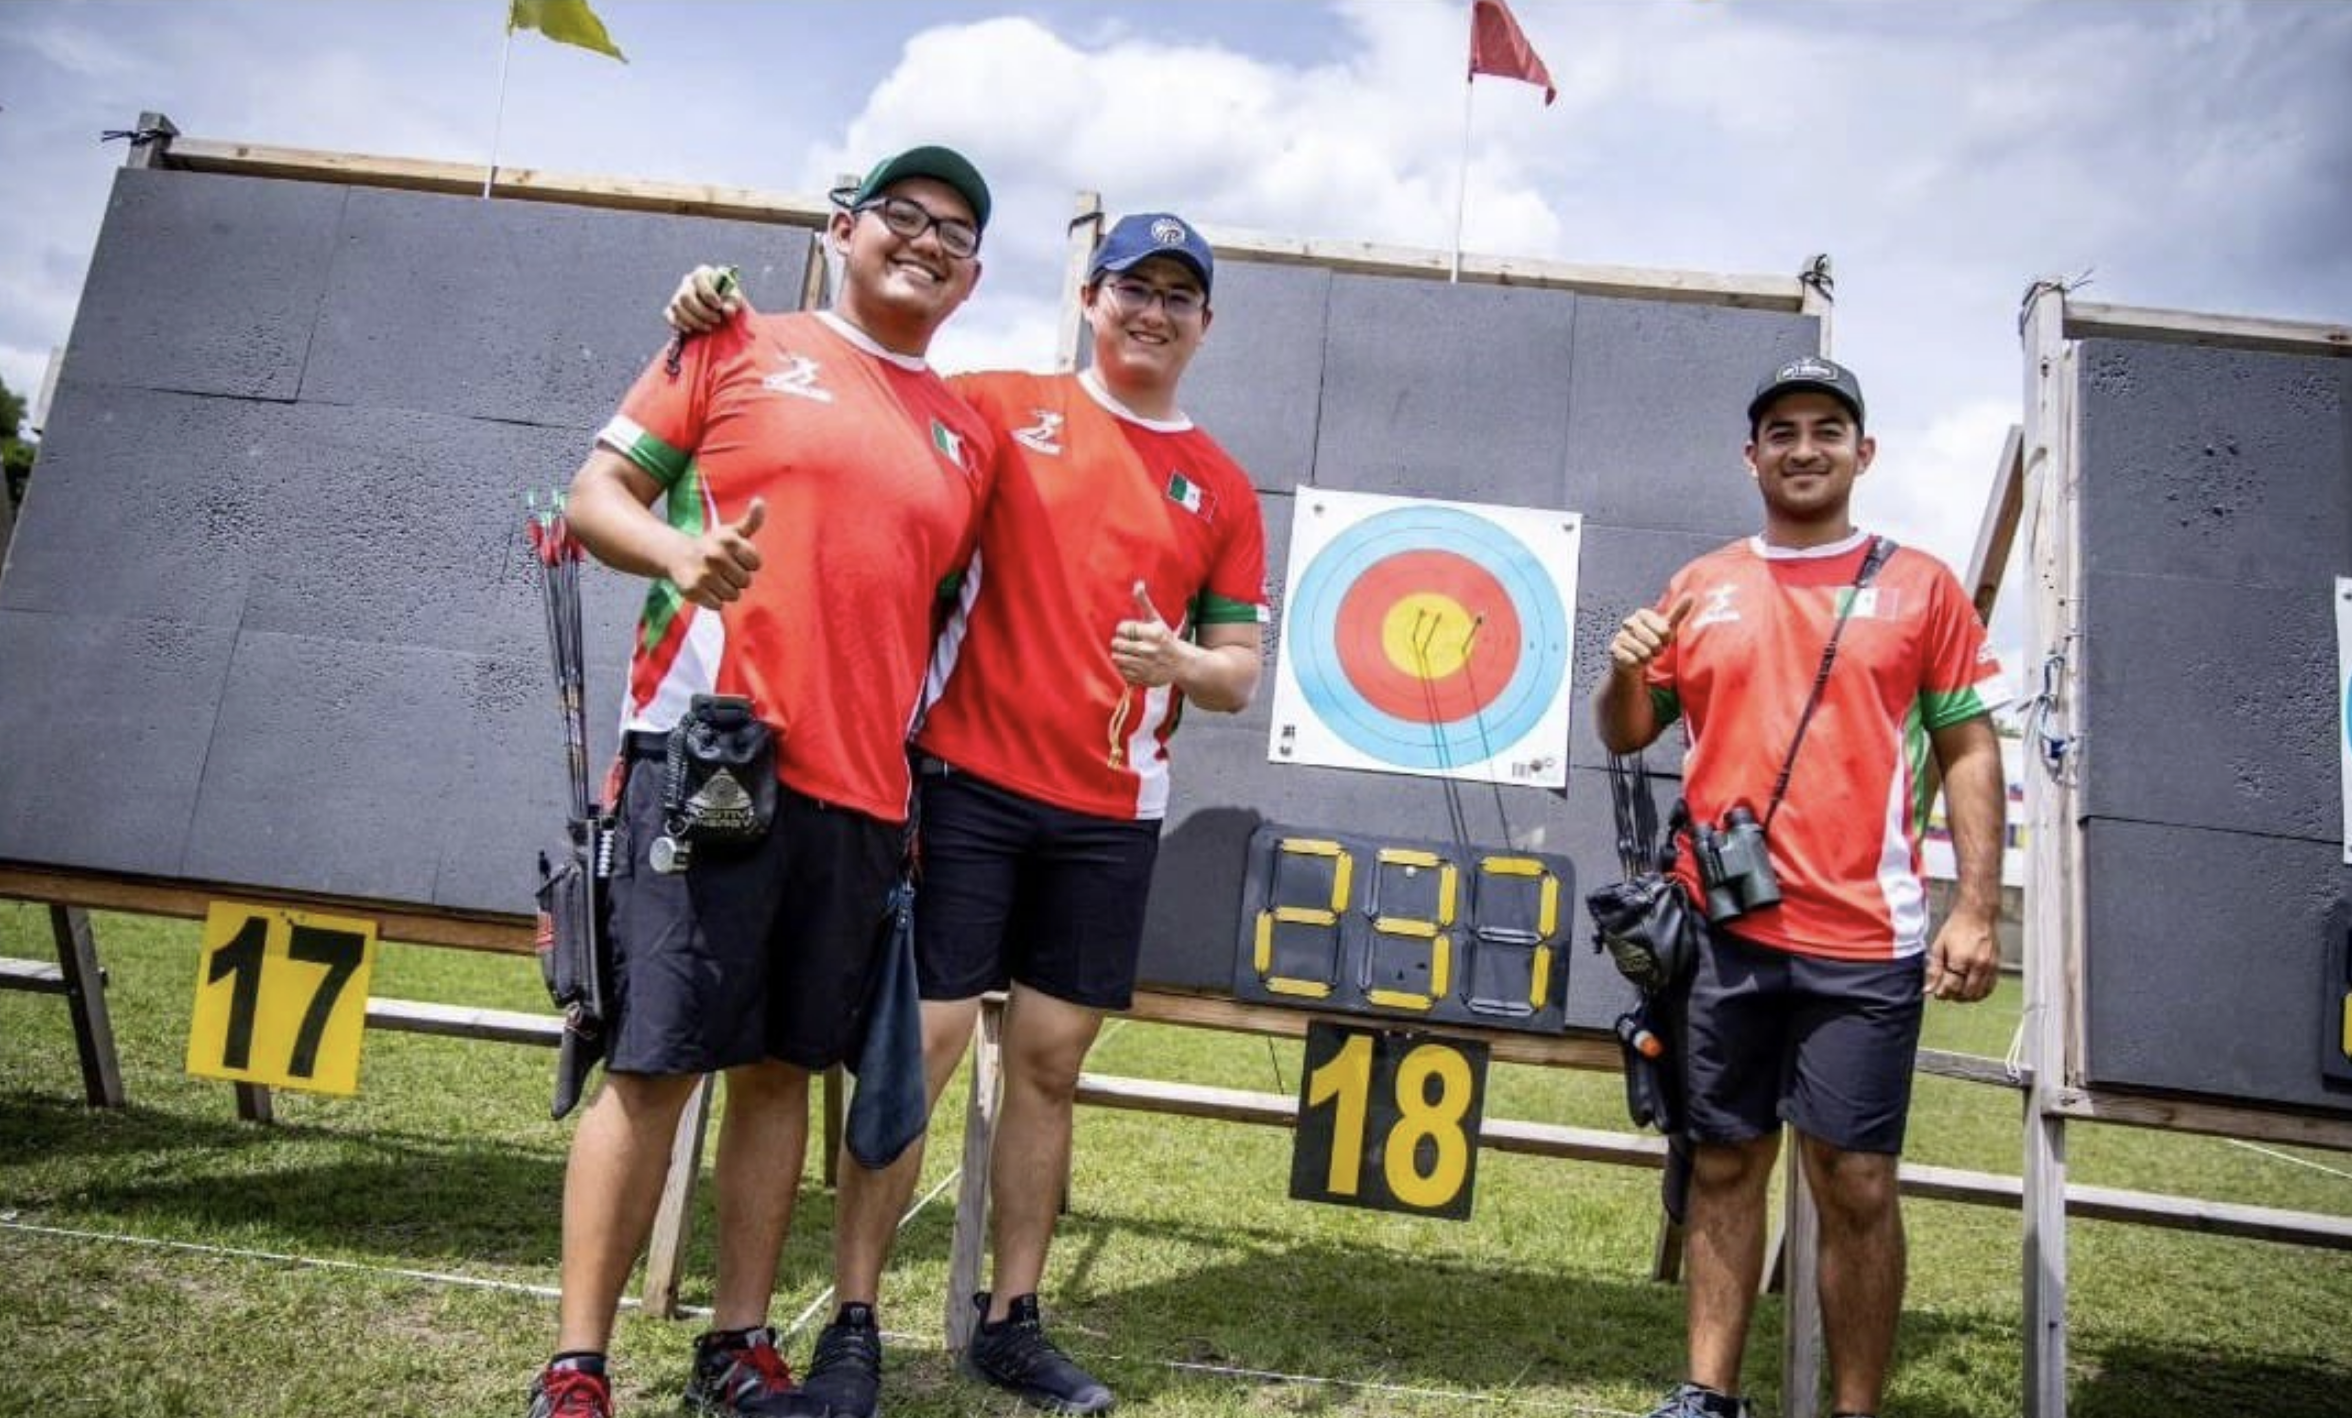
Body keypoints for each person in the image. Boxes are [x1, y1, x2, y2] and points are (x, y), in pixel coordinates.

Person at [664, 210, 1267, 1417]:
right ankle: (852, 1319)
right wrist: (708, 326)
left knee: (1048, 1065)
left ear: (1206, 323)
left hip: (1110, 808)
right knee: (918, 1049)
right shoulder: (990, 403)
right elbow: (852, 395)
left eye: (1179, 296)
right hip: (966, 782)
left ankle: (1012, 1319)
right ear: (1089, 299)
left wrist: (1179, 665)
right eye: (1132, 288)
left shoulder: (1226, 485)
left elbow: (1238, 668)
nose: (1153, 311)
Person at [527, 145, 998, 1418]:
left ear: (976, 272)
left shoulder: (967, 435)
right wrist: (680, 552)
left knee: (784, 1067)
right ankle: (577, 1365)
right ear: (843, 229)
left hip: (858, 797)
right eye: (903, 214)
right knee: (654, 1061)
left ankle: (739, 1345)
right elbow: (593, 495)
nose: (928, 241)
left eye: (957, 230)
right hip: (708, 758)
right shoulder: (730, 338)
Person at [1591, 356, 2006, 1418]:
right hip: (1723, 935)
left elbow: (1968, 748)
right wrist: (1624, 666)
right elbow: (1629, 732)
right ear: (1752, 453)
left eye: (1829, 428)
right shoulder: (1702, 581)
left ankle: (1851, 1407)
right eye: (1782, 430)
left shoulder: (1921, 586)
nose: (1805, 447)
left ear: (1863, 452)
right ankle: (1706, 1393)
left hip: (1867, 937)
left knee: (1856, 1180)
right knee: (1725, 1163)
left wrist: (1974, 905)